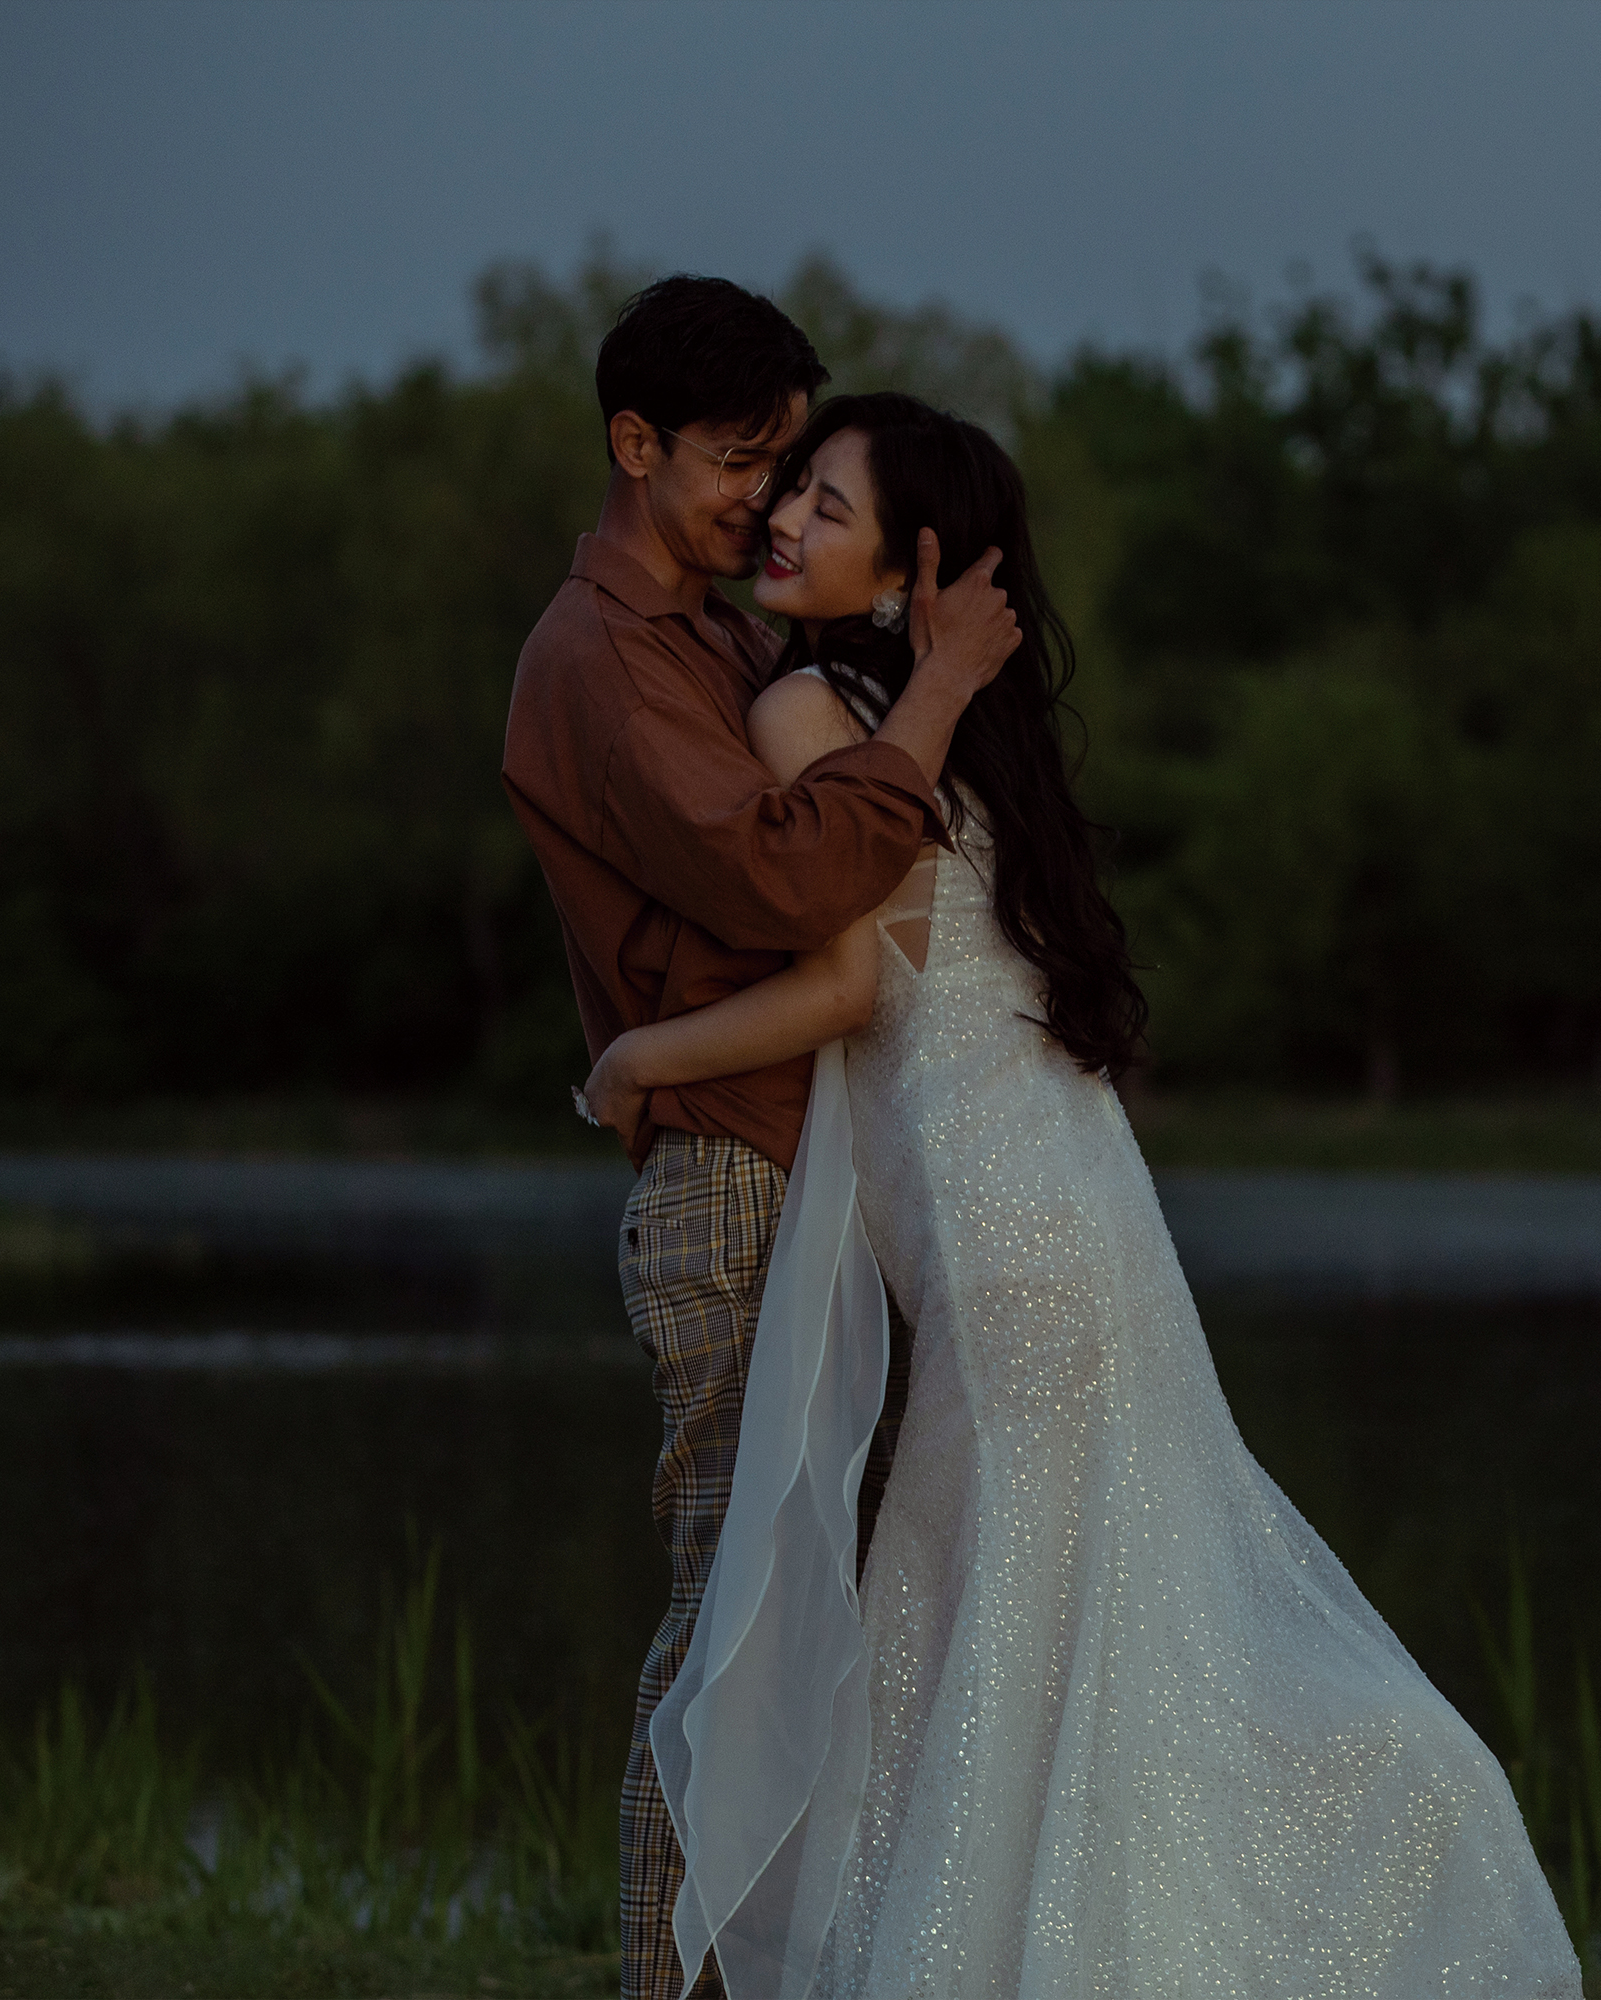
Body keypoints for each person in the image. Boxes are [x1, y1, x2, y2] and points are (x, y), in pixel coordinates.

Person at [575, 391, 1581, 1998]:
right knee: (1106, 1591)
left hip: (988, 1218)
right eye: (791, 496)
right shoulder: (956, 735)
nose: (784, 524)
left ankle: (1032, 1950)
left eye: (826, 508)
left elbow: (850, 986)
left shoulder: (807, 710)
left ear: (907, 572)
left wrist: (640, 1056)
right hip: (1085, 1205)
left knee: (1022, 1600)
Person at [501, 278, 1023, 2000]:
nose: (769, 501)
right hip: (725, 1175)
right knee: (734, 1627)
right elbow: (796, 876)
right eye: (742, 465)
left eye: (794, 468)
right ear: (632, 448)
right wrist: (934, 695)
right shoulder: (602, 662)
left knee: (817, 1616)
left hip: (799, 1176)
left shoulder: (725, 641)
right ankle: (676, 1985)